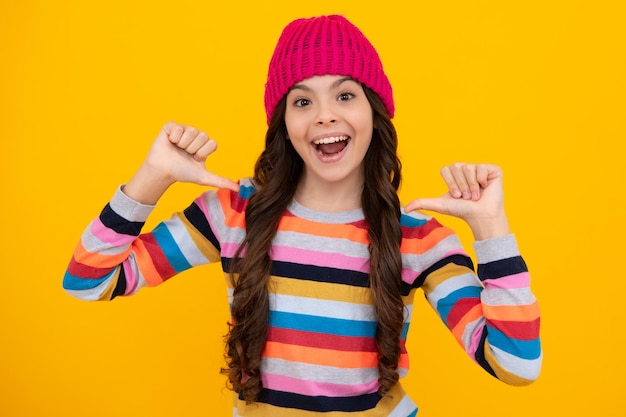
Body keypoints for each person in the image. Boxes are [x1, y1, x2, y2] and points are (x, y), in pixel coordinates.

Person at [63, 14, 542, 416]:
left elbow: (517, 365)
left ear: (375, 112)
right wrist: (153, 177)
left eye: (345, 95)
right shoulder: (234, 214)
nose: (325, 115)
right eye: (302, 101)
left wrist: (489, 228)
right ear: (284, 123)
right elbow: (88, 282)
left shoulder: (417, 238)